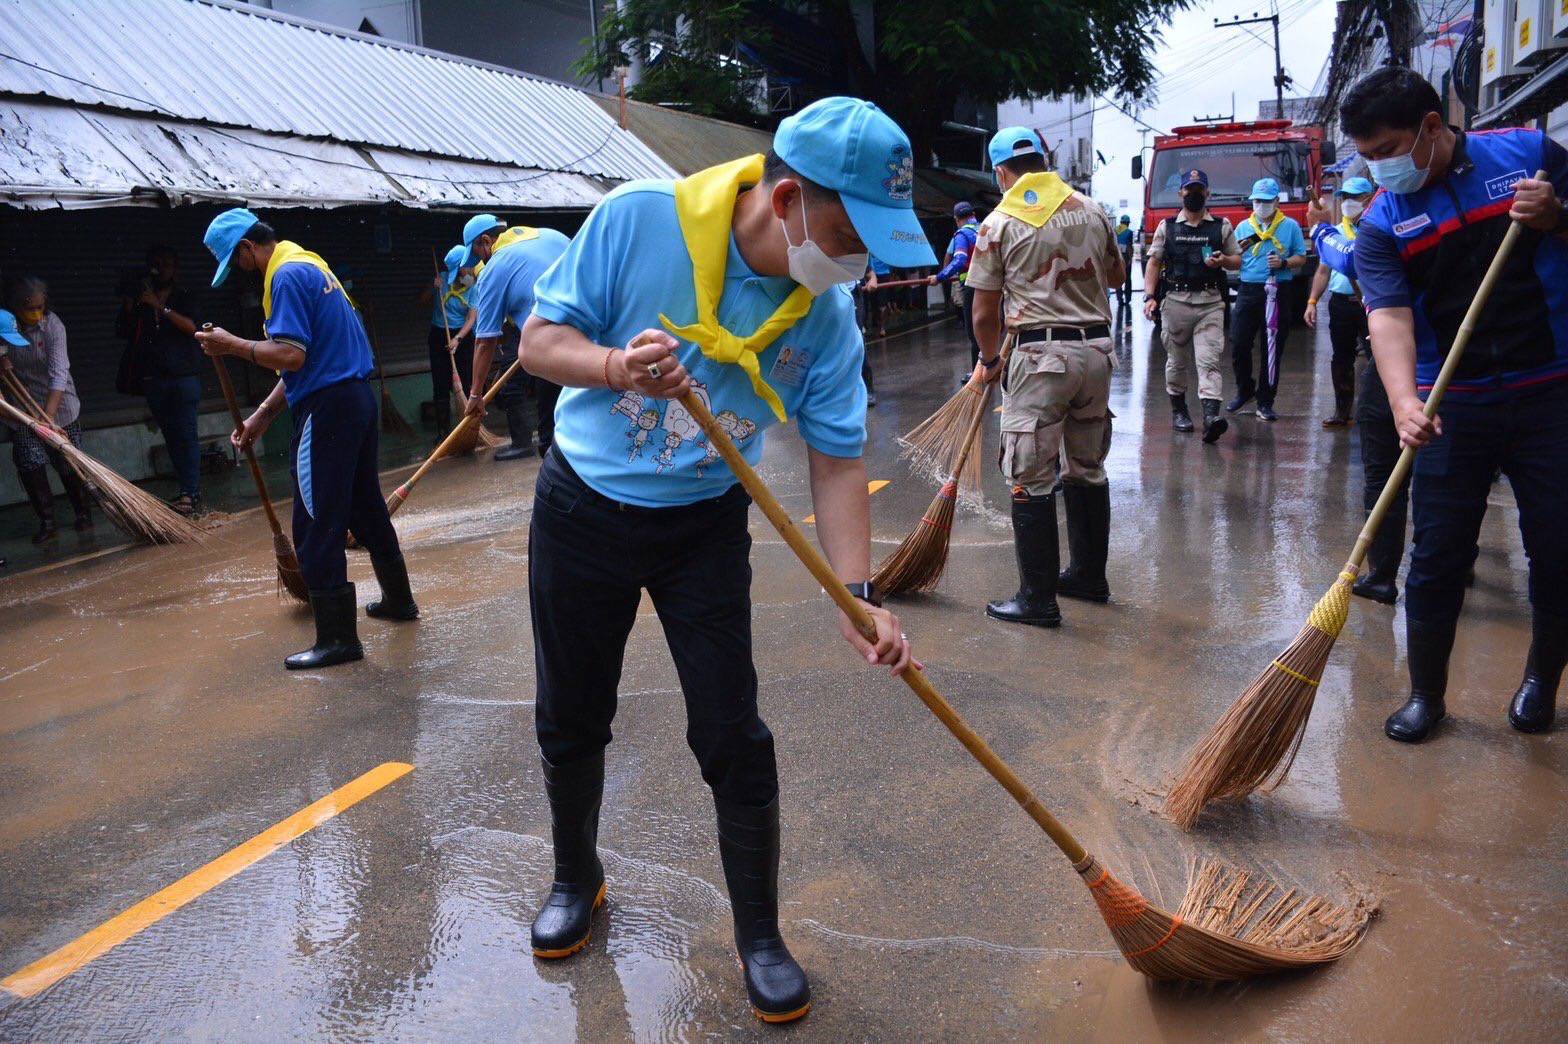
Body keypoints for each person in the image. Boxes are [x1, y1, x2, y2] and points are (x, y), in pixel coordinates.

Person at [517, 96, 925, 1023]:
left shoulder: (823, 317)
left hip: (702, 526)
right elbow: (541, 344)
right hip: (582, 510)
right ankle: (577, 878)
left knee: (733, 733)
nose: (856, 266)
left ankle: (759, 933)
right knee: (571, 715)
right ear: (786, 201)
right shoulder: (636, 220)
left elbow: (838, 457)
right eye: (851, 238)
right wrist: (617, 366)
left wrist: (856, 594)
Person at [1333, 66, 1568, 741]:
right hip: (1451, 406)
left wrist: (1556, 219)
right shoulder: (1384, 223)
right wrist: (1405, 400)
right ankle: (1426, 694)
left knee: (1558, 550)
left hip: (1550, 393)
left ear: (1432, 129)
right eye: (1367, 158)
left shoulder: (1528, 158)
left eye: (1387, 153)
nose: (1379, 170)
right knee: (1436, 556)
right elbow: (1389, 317)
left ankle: (1539, 683)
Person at [197, 209, 418, 670]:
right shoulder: (312, 265)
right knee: (365, 508)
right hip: (354, 399)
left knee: (314, 520)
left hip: (328, 409)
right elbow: (307, 359)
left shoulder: (285, 278)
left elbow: (290, 357)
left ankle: (337, 640)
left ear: (246, 248)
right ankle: (399, 601)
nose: (240, 272)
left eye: (236, 262)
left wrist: (230, 344)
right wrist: (262, 415)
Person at [967, 126, 1124, 626]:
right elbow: (1118, 277)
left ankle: (1037, 600)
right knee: (1086, 467)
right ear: (1044, 159)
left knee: (1030, 476)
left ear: (1000, 173)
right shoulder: (1093, 208)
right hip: (1096, 354)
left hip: (1040, 360)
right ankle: (1087, 577)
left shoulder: (1001, 221)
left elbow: (982, 312)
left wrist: (991, 359)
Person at [1307, 184, 1410, 607]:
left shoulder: (1390, 209)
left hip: (1409, 354)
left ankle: (1387, 573)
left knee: (1389, 470)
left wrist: (1318, 230)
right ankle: (1398, 571)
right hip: (1413, 349)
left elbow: (1349, 259)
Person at [1144, 169, 1240, 441]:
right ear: (1180, 193)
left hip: (1210, 303)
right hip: (1175, 303)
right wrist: (1149, 297)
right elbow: (1154, 262)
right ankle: (1179, 411)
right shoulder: (1167, 227)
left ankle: (1211, 417)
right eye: (1189, 189)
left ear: (1208, 193)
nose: (1194, 194)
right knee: (1176, 362)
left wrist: (1223, 261)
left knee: (1209, 360)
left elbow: (1237, 260)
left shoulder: (1220, 226)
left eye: (1199, 190)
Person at [464, 222, 570, 460]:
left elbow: (484, 341)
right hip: (597, 338)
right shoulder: (551, 234)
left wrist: (475, 395)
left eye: (476, 254)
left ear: (486, 241)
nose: (480, 262)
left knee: (552, 441)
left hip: (556, 345)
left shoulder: (495, 268)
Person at [116, 246, 205, 515]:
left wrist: (161, 307)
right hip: (154, 378)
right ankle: (187, 489)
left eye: (166, 264)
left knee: (186, 434)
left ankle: (190, 492)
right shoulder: (142, 300)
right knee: (171, 436)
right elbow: (123, 331)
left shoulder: (184, 297)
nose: (159, 269)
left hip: (183, 377)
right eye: (155, 264)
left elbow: (193, 329)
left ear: (175, 270)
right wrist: (132, 303)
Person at [4, 279, 93, 542]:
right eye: (28, 308)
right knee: (30, 462)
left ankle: (83, 514)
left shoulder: (53, 326)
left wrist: (49, 419)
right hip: (23, 409)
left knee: (68, 462)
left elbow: (58, 374)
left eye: (39, 307)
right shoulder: (5, 327)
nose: (35, 313)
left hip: (60, 406)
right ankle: (47, 522)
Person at [1226, 177, 1307, 422]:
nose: (1260, 205)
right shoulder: (1244, 227)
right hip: (1249, 289)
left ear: (1275, 201)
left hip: (1278, 290)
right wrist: (1225, 258)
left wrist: (1283, 263)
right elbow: (1236, 257)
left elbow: (1301, 257)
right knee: (1239, 342)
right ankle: (1245, 389)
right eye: (1257, 201)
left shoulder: (1290, 226)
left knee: (1272, 347)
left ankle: (1266, 400)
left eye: (1265, 201)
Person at [1303, 177, 1376, 429]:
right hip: (1341, 304)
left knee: (1377, 357)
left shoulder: (1373, 228)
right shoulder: (1334, 232)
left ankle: (1380, 410)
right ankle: (1342, 411)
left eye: (1354, 197)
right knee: (1342, 358)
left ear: (1368, 199)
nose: (1348, 203)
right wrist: (1312, 301)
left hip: (1370, 305)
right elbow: (1323, 271)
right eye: (1345, 197)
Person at [422, 243, 474, 433]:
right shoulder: (442, 279)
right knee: (441, 385)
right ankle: (443, 434)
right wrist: (432, 287)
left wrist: (458, 339)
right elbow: (422, 300)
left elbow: (471, 317)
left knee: (465, 384)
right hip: (439, 335)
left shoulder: (471, 285)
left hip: (462, 336)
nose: (465, 271)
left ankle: (468, 429)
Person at [928, 201, 982, 366]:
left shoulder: (962, 234)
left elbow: (959, 260)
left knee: (974, 334)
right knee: (990, 330)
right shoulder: (986, 229)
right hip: (992, 287)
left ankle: (977, 376)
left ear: (956, 219)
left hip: (972, 287)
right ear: (973, 214)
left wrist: (939, 277)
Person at [1114, 214, 1135, 313]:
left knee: (1118, 277)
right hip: (1126, 258)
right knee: (1127, 278)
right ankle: (1128, 299)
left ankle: (1119, 299)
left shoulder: (1114, 230)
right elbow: (1130, 246)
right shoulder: (1129, 232)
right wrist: (1131, 258)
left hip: (1116, 258)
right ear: (1127, 223)